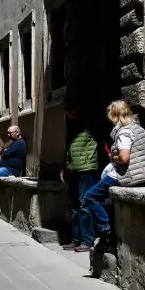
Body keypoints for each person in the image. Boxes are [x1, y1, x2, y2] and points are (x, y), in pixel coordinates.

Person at [80, 100, 145, 252]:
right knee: (108, 200)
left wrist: (111, 157)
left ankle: (106, 230)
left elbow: (124, 158)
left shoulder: (124, 132)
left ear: (113, 115)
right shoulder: (137, 128)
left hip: (127, 175)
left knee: (90, 196)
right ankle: (108, 234)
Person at [60, 103, 101, 252]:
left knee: (85, 204)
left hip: (87, 169)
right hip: (73, 170)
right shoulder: (72, 130)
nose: (68, 115)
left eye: (70, 111)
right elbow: (67, 150)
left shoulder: (91, 126)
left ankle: (87, 240)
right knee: (73, 206)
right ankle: (75, 239)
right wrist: (64, 168)